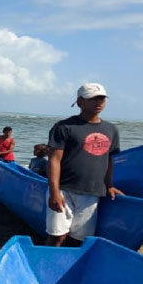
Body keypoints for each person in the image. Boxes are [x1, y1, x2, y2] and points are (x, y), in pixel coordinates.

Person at [47, 83, 122, 247]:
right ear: (80, 102)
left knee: (79, 239)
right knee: (58, 236)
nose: (99, 102)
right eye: (93, 99)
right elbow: (54, 160)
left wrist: (109, 185)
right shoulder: (64, 127)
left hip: (92, 193)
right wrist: (54, 192)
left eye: (102, 98)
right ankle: (48, 268)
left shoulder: (111, 129)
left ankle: (69, 268)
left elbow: (110, 160)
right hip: (64, 189)